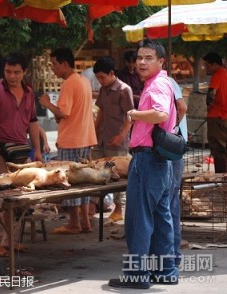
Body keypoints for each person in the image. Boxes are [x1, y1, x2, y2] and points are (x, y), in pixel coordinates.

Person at [109, 39, 179, 289]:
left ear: (161, 61)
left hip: (148, 159)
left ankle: (137, 276)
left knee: (139, 219)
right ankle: (166, 271)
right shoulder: (160, 82)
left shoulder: (158, 83)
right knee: (161, 218)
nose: (141, 62)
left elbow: (160, 114)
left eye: (148, 57)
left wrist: (134, 114)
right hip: (159, 160)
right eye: (139, 57)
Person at [0, 52, 43, 257]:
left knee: (17, 199)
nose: (12, 76)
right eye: (8, 71)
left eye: (16, 72)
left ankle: (9, 241)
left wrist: (38, 150)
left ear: (24, 72)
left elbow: (32, 122)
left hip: (20, 154)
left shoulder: (29, 93)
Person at [39, 47, 97, 234]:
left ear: (64, 64)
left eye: (55, 64)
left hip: (72, 139)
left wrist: (47, 103)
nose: (53, 68)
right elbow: (69, 113)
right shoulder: (84, 81)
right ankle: (85, 222)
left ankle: (74, 223)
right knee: (85, 181)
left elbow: (64, 112)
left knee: (70, 181)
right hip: (85, 137)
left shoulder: (70, 83)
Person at [92, 56, 134, 223]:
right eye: (98, 78)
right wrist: (93, 132)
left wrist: (122, 136)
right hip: (101, 139)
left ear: (111, 73)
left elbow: (131, 116)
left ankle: (119, 208)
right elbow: (100, 112)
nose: (100, 81)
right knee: (97, 171)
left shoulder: (125, 90)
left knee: (118, 175)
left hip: (117, 141)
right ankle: (95, 205)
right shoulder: (104, 90)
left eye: (102, 77)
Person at [168, 77, 188, 268]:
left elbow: (182, 107)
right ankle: (171, 256)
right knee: (170, 202)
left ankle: (171, 257)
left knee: (169, 203)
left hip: (171, 150)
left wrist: (171, 131)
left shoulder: (165, 82)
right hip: (173, 149)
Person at [203, 52, 227, 173]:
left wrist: (208, 105)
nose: (206, 68)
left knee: (218, 148)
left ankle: (221, 177)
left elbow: (212, 93)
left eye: (207, 65)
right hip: (224, 116)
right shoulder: (225, 73)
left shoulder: (217, 75)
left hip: (216, 116)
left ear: (214, 64)